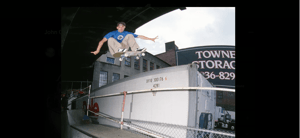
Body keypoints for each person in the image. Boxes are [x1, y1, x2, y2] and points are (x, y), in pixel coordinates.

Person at [91, 22, 158, 56]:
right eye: (120, 27)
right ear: (117, 27)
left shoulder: (126, 33)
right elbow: (101, 42)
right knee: (110, 39)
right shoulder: (112, 33)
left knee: (130, 35)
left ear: (124, 27)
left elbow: (139, 36)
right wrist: (97, 50)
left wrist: (150, 39)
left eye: (123, 27)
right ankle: (118, 50)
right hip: (114, 50)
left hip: (123, 47)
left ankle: (135, 50)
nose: (121, 28)